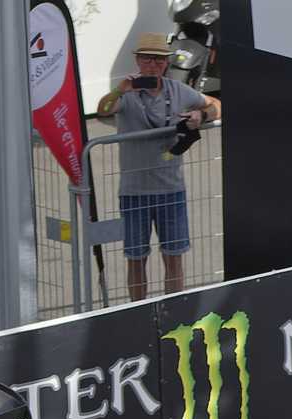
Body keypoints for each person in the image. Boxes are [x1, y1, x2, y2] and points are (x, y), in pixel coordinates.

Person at [91, 33, 218, 303]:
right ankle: (139, 312)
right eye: (148, 58)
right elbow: (102, 109)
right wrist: (121, 89)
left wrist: (201, 114)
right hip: (134, 191)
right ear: (138, 60)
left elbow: (216, 105)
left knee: (173, 257)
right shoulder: (127, 92)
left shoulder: (178, 90)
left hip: (171, 189)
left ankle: (174, 313)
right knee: (136, 259)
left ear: (166, 63)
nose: (153, 64)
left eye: (159, 59)